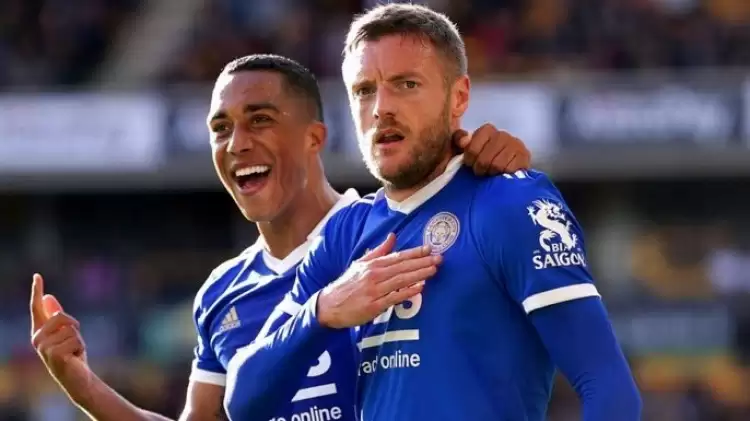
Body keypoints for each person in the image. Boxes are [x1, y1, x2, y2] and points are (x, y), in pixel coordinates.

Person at [29, 54, 533, 421]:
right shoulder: (222, 292)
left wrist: (495, 171)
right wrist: (82, 383)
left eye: (260, 120)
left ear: (314, 137)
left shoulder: (390, 232)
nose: (237, 143)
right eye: (221, 128)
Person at [223, 4, 642, 421]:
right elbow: (243, 400)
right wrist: (323, 309)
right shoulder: (343, 235)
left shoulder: (510, 205)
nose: (381, 107)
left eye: (406, 84)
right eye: (364, 91)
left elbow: (609, 388)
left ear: (458, 97)